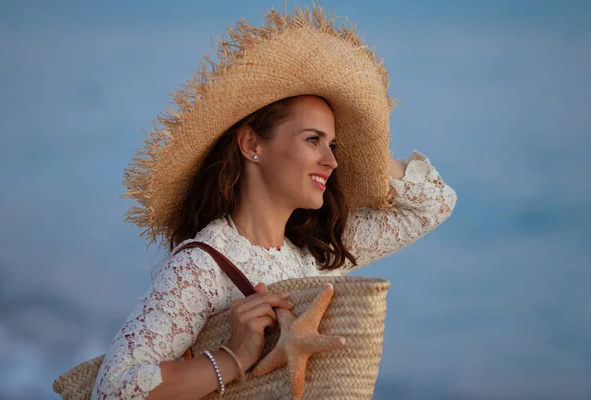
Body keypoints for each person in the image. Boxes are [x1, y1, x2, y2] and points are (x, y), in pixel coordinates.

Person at [91, 5, 457, 400]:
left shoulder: (316, 253)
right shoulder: (200, 266)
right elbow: (113, 390)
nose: (332, 161)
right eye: (312, 140)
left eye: (333, 145)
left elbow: (434, 204)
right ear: (252, 144)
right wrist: (233, 356)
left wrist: (363, 148)